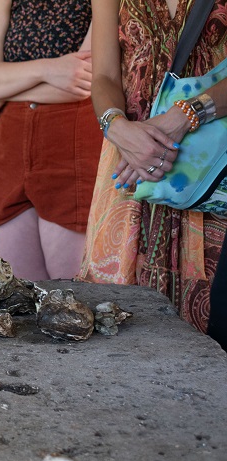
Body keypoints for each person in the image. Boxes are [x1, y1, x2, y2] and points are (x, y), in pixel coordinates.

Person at [78, 0, 227, 334]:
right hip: (128, 167)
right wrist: (115, 127)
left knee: (213, 335)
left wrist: (185, 114)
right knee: (116, 328)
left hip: (212, 171)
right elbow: (103, 75)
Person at [0, 0, 101, 281]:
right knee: (20, 297)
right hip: (8, 150)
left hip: (71, 145)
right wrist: (48, 70)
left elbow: (84, 81)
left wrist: (1, 92)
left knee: (73, 298)